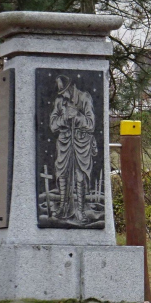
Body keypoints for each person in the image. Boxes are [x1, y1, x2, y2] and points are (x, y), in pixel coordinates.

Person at [49, 74, 97, 222]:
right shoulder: (59, 102)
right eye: (61, 93)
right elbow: (52, 125)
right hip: (64, 141)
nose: (63, 96)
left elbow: (91, 124)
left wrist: (76, 115)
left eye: (64, 92)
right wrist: (64, 118)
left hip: (81, 141)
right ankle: (64, 207)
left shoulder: (85, 98)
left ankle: (80, 210)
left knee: (79, 175)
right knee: (62, 174)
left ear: (71, 88)